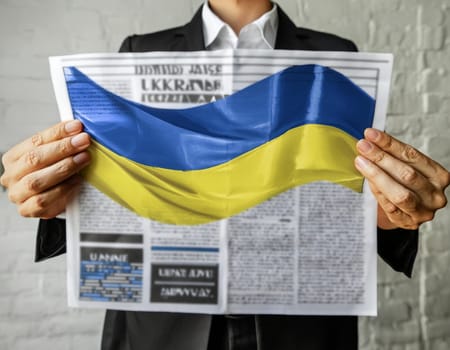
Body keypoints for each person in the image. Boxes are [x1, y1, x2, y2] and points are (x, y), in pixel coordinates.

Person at [1, 1, 449, 349]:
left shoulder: (337, 57)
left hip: (298, 329)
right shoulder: (138, 52)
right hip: (162, 328)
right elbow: (115, 188)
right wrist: (57, 200)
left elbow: (347, 194)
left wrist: (390, 214)